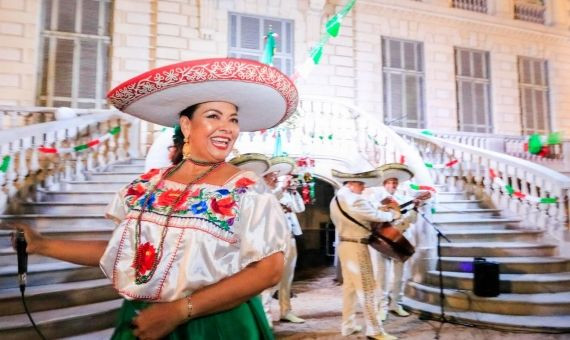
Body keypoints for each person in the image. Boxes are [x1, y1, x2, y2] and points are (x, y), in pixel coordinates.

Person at [9, 57, 299, 340]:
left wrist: (178, 311)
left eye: (233, 119)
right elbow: (122, 252)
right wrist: (42, 245)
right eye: (213, 116)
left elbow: (268, 271)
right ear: (186, 125)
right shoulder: (145, 186)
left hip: (216, 325)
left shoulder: (248, 188)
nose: (228, 127)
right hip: (143, 320)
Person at [329, 167, 399, 340]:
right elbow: (378, 216)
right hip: (357, 247)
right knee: (367, 289)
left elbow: (364, 215)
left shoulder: (336, 198)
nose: (363, 188)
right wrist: (394, 211)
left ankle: (348, 325)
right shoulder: (356, 200)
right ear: (351, 184)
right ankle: (375, 330)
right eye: (361, 184)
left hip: (344, 245)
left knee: (350, 289)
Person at [364, 163, 431, 321]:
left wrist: (414, 208)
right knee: (381, 276)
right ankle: (382, 307)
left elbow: (412, 220)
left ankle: (396, 304)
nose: (393, 185)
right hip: (381, 239)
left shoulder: (405, 199)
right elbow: (372, 216)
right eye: (390, 182)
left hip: (399, 239)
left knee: (399, 276)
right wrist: (384, 207)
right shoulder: (375, 199)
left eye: (395, 183)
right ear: (384, 184)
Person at [261, 156, 306, 325]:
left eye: (275, 175)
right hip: (272, 241)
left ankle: (286, 310)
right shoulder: (263, 191)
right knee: (270, 280)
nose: (274, 178)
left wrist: (293, 191)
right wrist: (282, 187)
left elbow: (299, 208)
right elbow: (271, 199)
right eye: (271, 175)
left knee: (287, 278)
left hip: (290, 238)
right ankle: (265, 317)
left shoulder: (283, 191)